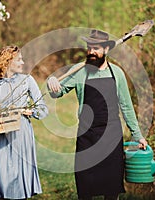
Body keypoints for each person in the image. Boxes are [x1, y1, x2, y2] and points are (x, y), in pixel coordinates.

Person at [47, 30, 148, 200]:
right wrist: (52, 83)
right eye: (89, 48)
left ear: (106, 50)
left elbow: (126, 106)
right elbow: (57, 93)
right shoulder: (78, 71)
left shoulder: (117, 74)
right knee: (85, 187)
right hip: (87, 135)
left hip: (112, 136)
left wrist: (137, 135)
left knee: (111, 189)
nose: (92, 52)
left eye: (96, 48)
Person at [0, 45, 48, 199]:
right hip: (1, 138)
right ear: (8, 62)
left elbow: (43, 109)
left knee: (20, 180)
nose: (23, 63)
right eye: (19, 59)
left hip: (22, 135)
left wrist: (29, 111)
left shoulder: (28, 81)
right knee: (2, 177)